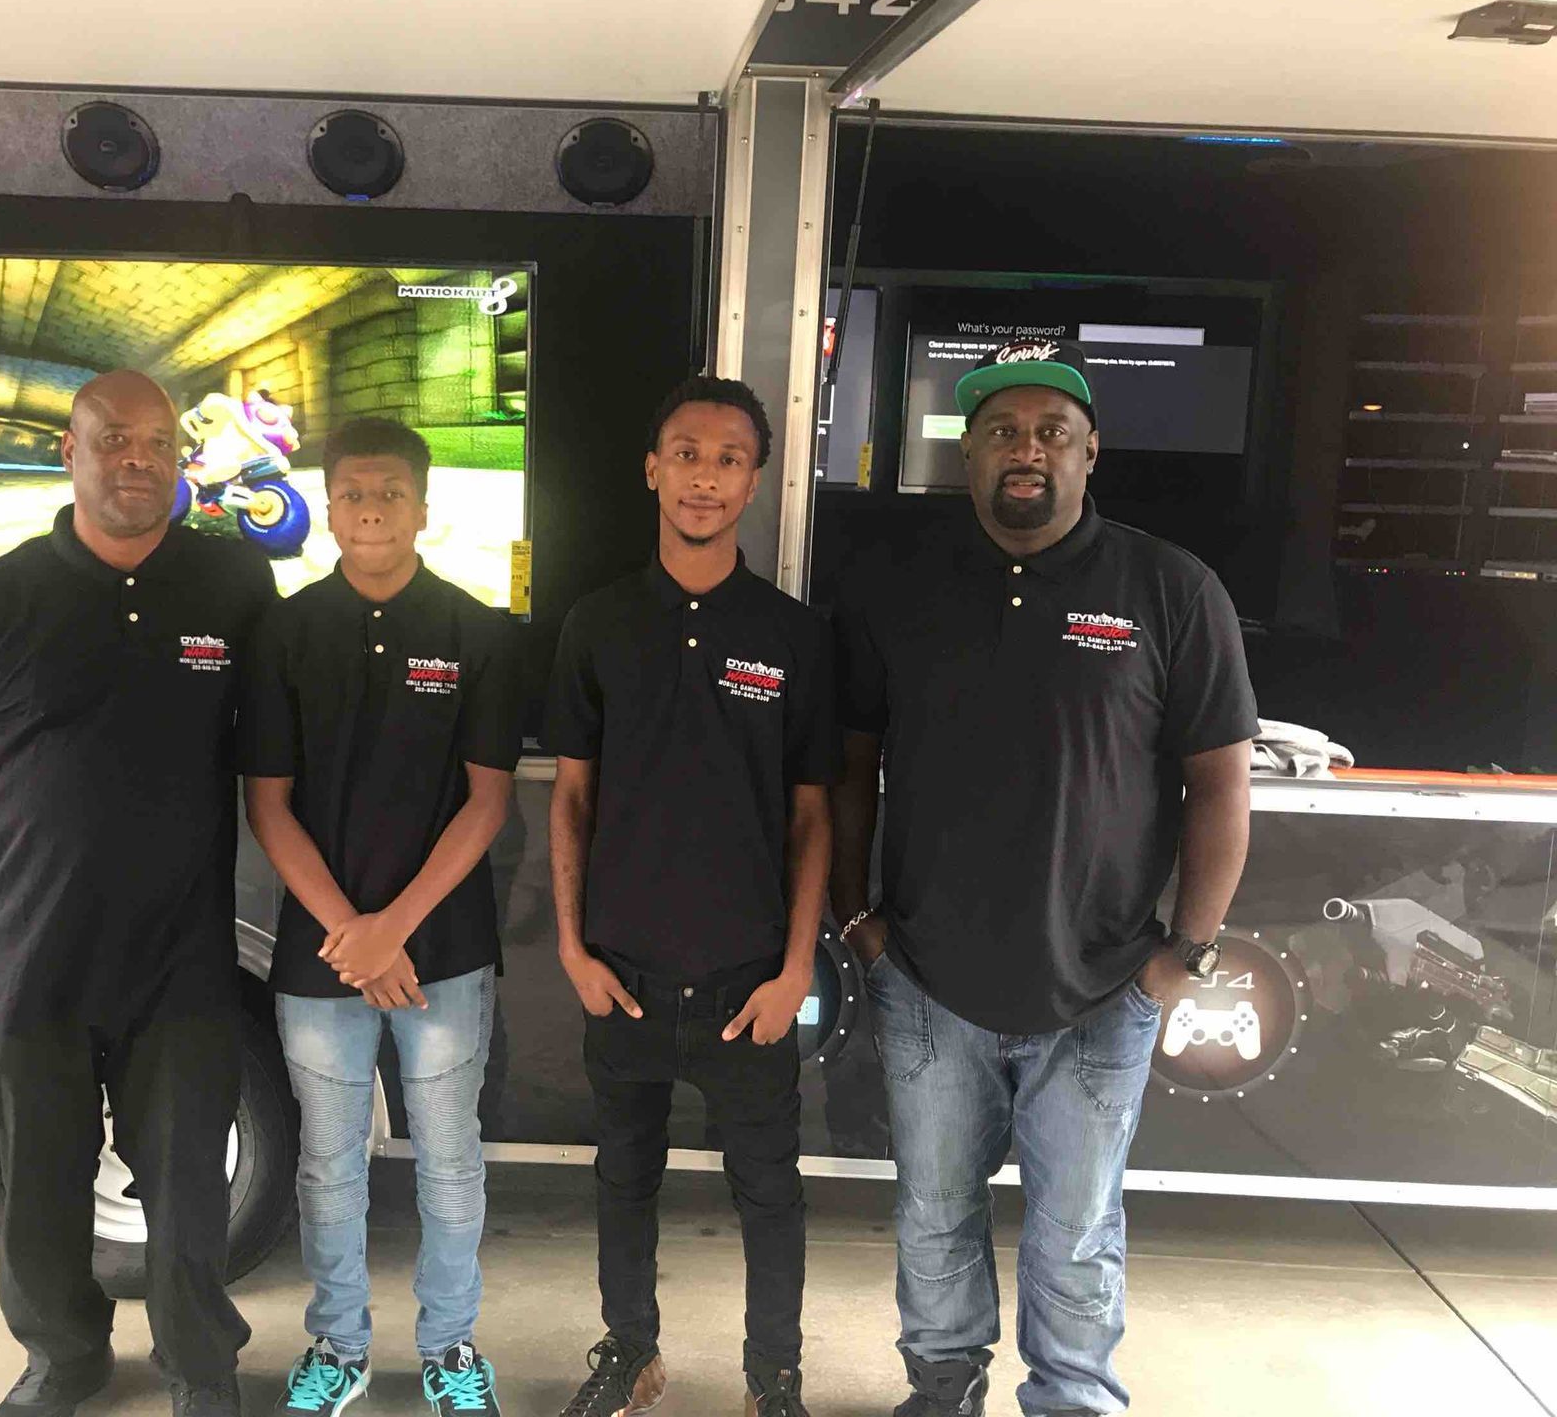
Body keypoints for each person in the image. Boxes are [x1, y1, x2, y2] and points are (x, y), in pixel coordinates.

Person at [829, 341, 1258, 1417]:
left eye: (1051, 433)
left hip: (1103, 988)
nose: (1027, 451)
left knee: (1077, 1232)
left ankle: (1071, 1397)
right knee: (933, 1216)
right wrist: (859, 919)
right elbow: (849, 765)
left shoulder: (1171, 588)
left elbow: (1220, 785)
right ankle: (942, 1389)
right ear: (968, 453)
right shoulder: (900, 587)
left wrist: (1184, 956)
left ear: (1089, 452)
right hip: (929, 982)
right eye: (1002, 432)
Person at [0, 370, 276, 1417]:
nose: (136, 458)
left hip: (180, 956)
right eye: (113, 439)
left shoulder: (234, 585)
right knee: (38, 1189)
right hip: (29, 953)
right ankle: (63, 1359)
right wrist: (26, 835)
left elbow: (268, 747)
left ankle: (201, 1367)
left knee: (188, 1186)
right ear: (70, 452)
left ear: (179, 457)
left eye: (155, 440)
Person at [545, 375, 838, 1417]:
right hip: (621, 976)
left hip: (747, 984)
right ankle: (631, 1354)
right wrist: (574, 950)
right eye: (686, 453)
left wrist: (795, 971)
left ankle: (774, 1377)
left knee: (771, 1195)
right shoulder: (598, 624)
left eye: (727, 459)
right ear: (651, 470)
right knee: (623, 1180)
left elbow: (813, 817)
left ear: (754, 483)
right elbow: (571, 798)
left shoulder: (795, 636)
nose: (704, 477)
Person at [239, 417, 520, 1417]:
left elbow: (488, 802)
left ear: (423, 509)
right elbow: (268, 805)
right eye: (353, 493)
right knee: (328, 1164)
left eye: (390, 492)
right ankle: (339, 1346)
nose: (371, 509)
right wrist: (354, 936)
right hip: (322, 956)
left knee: (449, 1162)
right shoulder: (283, 634)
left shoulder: (477, 634)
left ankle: (450, 1347)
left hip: (442, 951)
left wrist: (392, 927)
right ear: (327, 507)